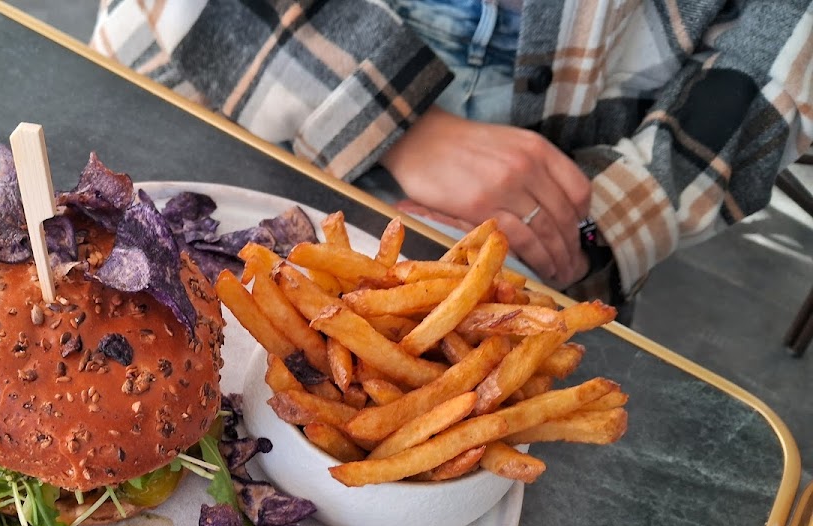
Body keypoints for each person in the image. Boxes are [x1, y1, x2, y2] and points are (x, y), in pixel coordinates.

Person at [90, 0, 813, 322]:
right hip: (216, 79)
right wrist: (401, 129)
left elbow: (780, 54)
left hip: (565, 177)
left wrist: (588, 232)